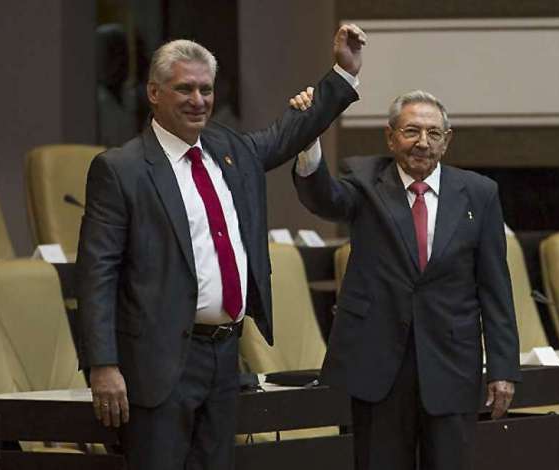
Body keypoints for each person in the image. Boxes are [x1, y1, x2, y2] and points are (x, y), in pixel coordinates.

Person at [75, 24, 366, 470]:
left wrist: (342, 74)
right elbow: (97, 272)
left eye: (206, 89)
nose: (198, 100)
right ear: (154, 93)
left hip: (225, 355)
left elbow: (286, 133)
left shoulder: (228, 149)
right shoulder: (121, 169)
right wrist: (103, 365)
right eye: (184, 89)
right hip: (159, 364)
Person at [291, 89, 521, 470]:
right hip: (379, 365)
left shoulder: (479, 193)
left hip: (451, 363)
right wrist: (309, 136)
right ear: (391, 136)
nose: (422, 142)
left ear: (447, 141)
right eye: (411, 131)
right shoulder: (365, 181)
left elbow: (495, 287)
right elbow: (324, 199)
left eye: (433, 133)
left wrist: (502, 369)